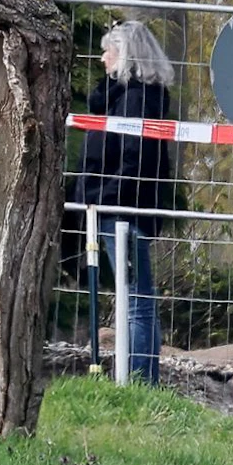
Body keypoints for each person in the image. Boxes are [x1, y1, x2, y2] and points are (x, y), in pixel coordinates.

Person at [76, 20, 176, 383]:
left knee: (136, 300)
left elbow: (136, 157)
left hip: (121, 211)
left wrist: (103, 197)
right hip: (114, 208)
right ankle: (142, 380)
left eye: (109, 50)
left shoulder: (136, 100)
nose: (102, 58)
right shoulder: (123, 98)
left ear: (126, 55)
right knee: (138, 298)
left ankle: (138, 382)